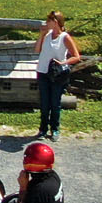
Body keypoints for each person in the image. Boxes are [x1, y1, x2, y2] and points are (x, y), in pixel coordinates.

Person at [33, 11, 79, 141]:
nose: (47, 23)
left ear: (56, 22)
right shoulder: (47, 35)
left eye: (49, 21)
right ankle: (42, 129)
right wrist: (41, 35)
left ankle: (55, 129)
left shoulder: (64, 37)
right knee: (44, 103)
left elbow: (76, 56)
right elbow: (37, 50)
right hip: (43, 71)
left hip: (57, 73)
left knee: (55, 102)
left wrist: (64, 62)